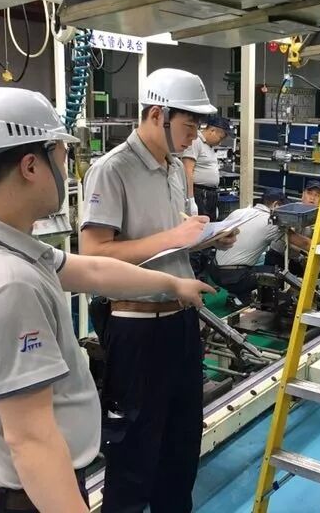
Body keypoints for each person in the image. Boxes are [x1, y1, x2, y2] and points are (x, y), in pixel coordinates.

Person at [0, 87, 213, 513]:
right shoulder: (8, 283)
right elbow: (32, 442)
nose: (67, 170)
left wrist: (174, 286)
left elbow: (91, 270)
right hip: (24, 499)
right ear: (31, 165)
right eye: (63, 157)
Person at [78, 68, 236, 513]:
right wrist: (175, 237)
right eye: (189, 125)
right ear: (156, 115)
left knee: (181, 446)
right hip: (136, 326)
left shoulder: (173, 169)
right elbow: (94, 253)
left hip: (181, 323)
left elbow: (171, 242)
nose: (194, 136)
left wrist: (206, 239)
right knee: (134, 452)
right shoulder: (112, 170)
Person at [209, 188, 310, 300]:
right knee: (281, 275)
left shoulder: (239, 212)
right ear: (276, 205)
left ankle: (238, 297)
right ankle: (250, 299)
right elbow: (305, 243)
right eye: (284, 209)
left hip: (214, 270)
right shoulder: (271, 222)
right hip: (235, 277)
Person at [182, 115, 234, 221]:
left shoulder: (210, 147)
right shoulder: (196, 141)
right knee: (201, 226)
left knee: (210, 225)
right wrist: (191, 199)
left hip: (210, 194)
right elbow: (188, 170)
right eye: (221, 137)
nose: (221, 142)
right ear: (212, 131)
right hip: (199, 193)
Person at [265, 180, 320, 271]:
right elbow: (288, 238)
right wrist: (305, 250)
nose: (312, 198)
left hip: (294, 260)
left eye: (317, 195)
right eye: (309, 193)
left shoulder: (318, 216)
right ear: (303, 195)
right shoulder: (293, 211)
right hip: (277, 257)